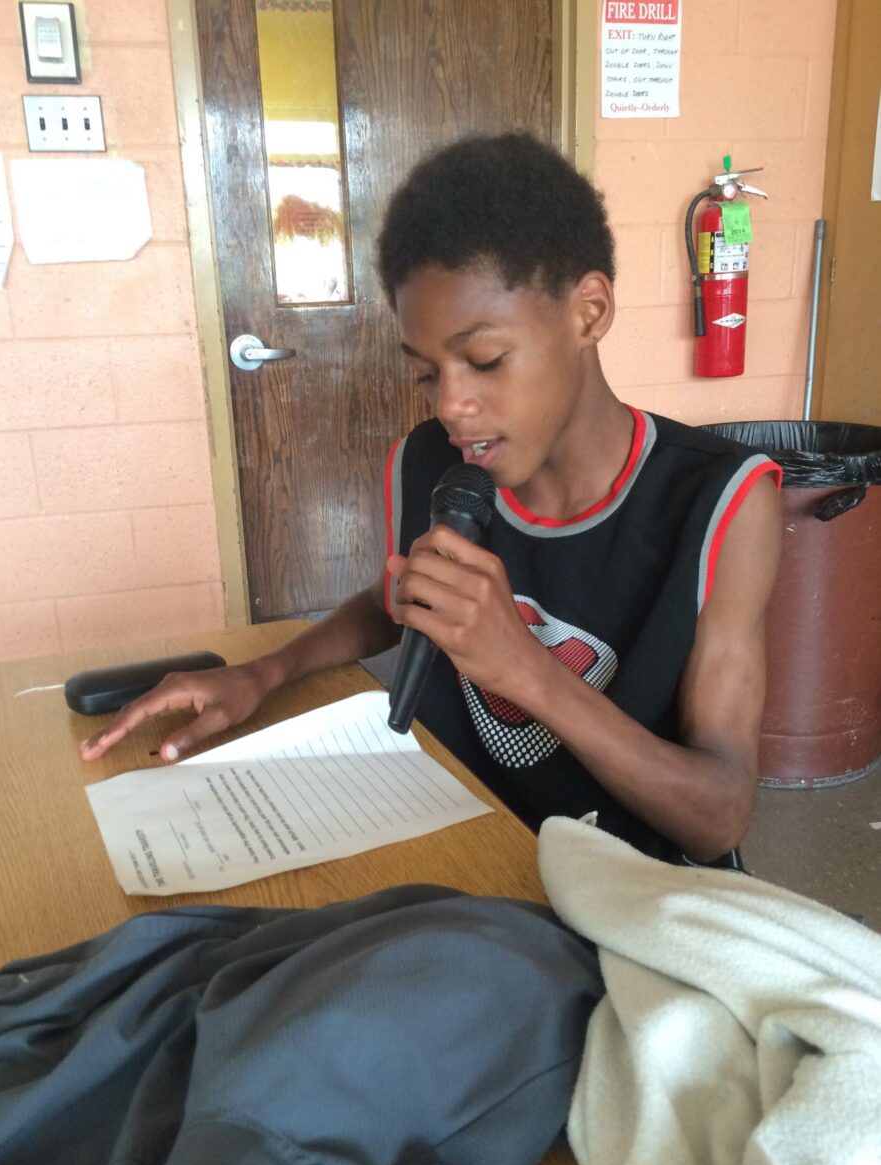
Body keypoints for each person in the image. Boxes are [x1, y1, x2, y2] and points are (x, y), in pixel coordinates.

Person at [81, 133, 782, 867]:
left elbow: (719, 816)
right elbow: (397, 600)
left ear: (590, 311)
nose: (451, 405)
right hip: (464, 853)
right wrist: (265, 672)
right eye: (425, 374)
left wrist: (525, 670)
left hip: (627, 895)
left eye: (485, 360)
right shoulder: (429, 464)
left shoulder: (722, 503)